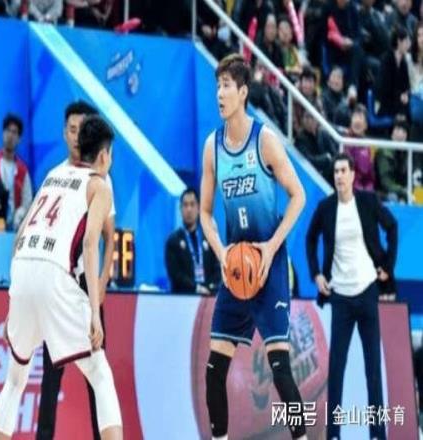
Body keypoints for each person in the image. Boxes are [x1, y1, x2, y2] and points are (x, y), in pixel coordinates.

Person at [0, 114, 122, 440]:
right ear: (104, 155)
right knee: (100, 373)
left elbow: (20, 234)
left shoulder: (53, 174)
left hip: (23, 268)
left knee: (15, 379)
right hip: (54, 274)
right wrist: (94, 313)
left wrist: (13, 299)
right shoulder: (100, 185)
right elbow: (90, 244)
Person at [200, 53, 307, 440]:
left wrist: (271, 246)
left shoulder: (264, 140)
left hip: (269, 266)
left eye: (227, 86)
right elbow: (206, 213)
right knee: (214, 370)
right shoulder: (212, 147)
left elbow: (298, 196)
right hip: (236, 267)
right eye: (217, 86)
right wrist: (222, 252)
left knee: (280, 369)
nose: (220, 93)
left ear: (243, 92)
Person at [36, 101, 116, 440]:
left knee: (97, 374)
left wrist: (102, 281)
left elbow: (109, 237)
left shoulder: (101, 180)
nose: (77, 136)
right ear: (64, 132)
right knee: (51, 372)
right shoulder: (56, 176)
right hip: (58, 283)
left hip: (86, 284)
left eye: (82, 130)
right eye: (72, 129)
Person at [306, 153, 398, 440]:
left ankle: (377, 434)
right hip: (341, 297)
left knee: (373, 367)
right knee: (336, 368)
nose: (339, 176)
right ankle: (333, 434)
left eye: (343, 171)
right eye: (335, 171)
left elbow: (392, 227)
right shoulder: (325, 207)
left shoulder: (368, 202)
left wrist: (388, 266)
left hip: (367, 290)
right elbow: (310, 238)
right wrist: (316, 274)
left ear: (353, 174)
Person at [0, 113, 33, 230]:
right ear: (3, 133)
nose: (10, 136)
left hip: (15, 227)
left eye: (14, 132)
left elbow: (27, 202)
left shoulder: (23, 171)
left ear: (19, 139)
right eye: (8, 131)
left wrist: (19, 217)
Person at [165, 187, 220, 294]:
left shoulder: (208, 238)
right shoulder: (173, 241)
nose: (189, 209)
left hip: (208, 296)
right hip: (183, 297)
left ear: (198, 208)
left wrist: (210, 287)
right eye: (185, 205)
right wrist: (196, 288)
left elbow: (217, 269)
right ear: (180, 209)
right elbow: (175, 275)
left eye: (192, 204)